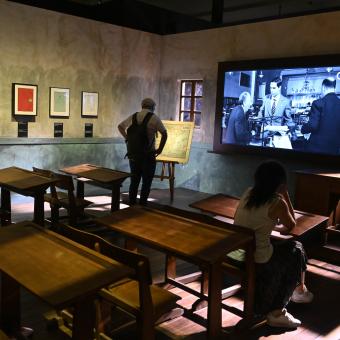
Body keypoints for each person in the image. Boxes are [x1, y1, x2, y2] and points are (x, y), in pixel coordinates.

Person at [229, 161, 313, 328]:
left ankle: (299, 290)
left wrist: (270, 225)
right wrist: (285, 194)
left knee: (288, 249)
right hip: (258, 258)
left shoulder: (248, 193)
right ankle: (279, 310)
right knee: (297, 249)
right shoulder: (277, 202)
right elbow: (291, 225)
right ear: (280, 183)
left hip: (237, 251)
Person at [118, 98, 167, 205]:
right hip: (148, 156)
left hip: (134, 155)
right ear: (153, 107)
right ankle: (143, 206)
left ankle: (131, 205)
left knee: (134, 182)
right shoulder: (154, 118)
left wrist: (127, 139)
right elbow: (164, 133)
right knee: (146, 183)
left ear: (142, 106)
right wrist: (160, 149)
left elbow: (120, 126)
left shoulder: (134, 116)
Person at [301, 77, 340, 155]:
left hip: (317, 148)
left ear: (323, 87)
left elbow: (312, 125)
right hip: (335, 148)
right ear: (334, 88)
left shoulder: (318, 103)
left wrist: (303, 129)